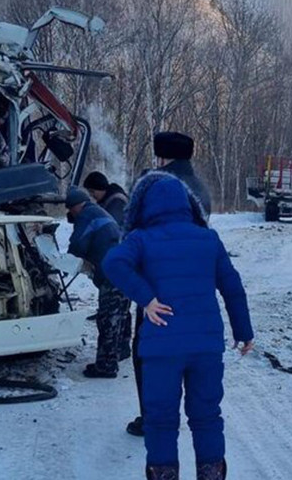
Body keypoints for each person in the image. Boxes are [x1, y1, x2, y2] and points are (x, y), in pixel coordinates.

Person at [103, 172, 254, 480]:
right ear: (188, 204)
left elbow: (112, 263)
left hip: (161, 348)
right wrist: (244, 332)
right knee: (207, 416)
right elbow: (232, 287)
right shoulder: (208, 238)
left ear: (145, 206)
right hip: (206, 348)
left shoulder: (141, 238)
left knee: (160, 420)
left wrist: (146, 299)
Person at [126, 131, 214, 437]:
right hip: (195, 287)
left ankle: (154, 419)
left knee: (148, 353)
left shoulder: (154, 184)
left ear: (162, 156)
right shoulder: (202, 188)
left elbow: (135, 231)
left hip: (157, 285)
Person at [66, 187, 131, 378]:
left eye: (71, 210)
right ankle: (122, 349)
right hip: (126, 266)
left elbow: (78, 245)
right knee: (121, 313)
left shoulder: (87, 215)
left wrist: (67, 259)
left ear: (77, 205)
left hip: (112, 271)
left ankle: (106, 366)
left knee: (108, 318)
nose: (71, 214)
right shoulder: (99, 211)